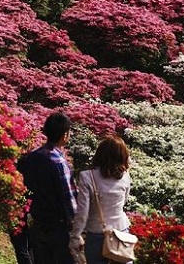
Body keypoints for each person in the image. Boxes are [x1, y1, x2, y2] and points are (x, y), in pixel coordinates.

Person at [18, 112, 77, 264]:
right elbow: (68, 197)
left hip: (37, 222)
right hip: (58, 226)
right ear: (65, 135)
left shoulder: (32, 157)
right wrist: (76, 225)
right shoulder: (58, 161)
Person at [69, 136, 132, 264]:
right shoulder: (125, 176)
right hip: (121, 233)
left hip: (97, 234)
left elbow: (83, 212)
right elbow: (124, 202)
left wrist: (75, 236)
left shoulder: (87, 176)